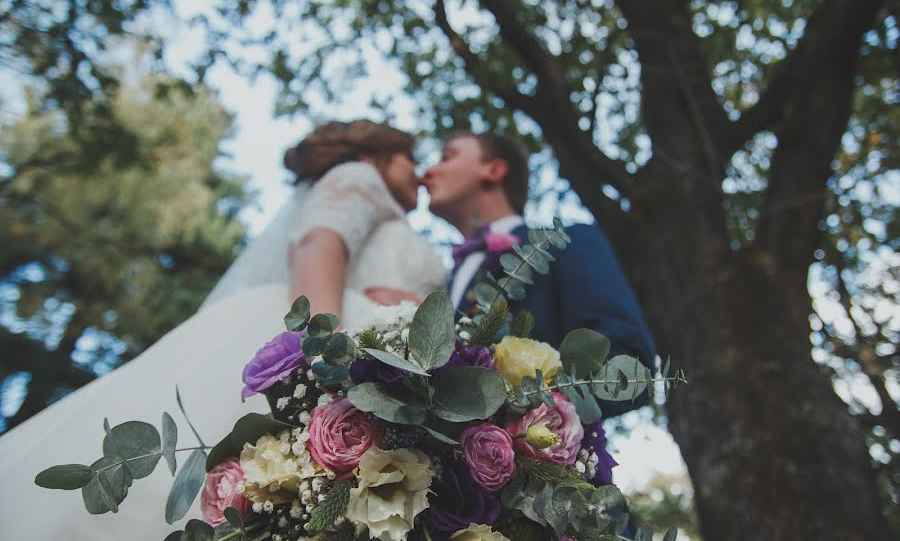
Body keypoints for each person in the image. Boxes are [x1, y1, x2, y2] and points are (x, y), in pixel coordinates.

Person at [0, 119, 447, 539]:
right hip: (334, 337)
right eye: (410, 157)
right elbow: (319, 244)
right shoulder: (360, 176)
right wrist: (326, 364)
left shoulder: (385, 208)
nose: (420, 172)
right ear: (379, 155)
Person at [423, 130, 656, 417]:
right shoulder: (443, 285)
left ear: (494, 170)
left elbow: (632, 370)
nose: (428, 171)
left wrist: (521, 411)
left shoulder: (569, 243)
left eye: (448, 156)